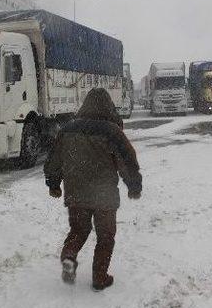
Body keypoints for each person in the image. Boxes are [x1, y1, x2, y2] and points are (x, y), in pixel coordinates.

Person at [44, 88, 142, 291]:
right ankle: (99, 276)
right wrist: (134, 185)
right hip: (104, 195)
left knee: (79, 230)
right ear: (108, 106)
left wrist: (53, 183)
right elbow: (127, 160)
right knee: (105, 236)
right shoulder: (111, 131)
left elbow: (54, 160)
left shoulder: (68, 129)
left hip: (76, 192)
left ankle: (69, 256)